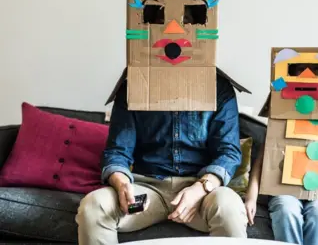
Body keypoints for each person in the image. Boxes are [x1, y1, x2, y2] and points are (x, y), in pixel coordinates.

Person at [75, 75, 248, 245]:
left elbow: (228, 153)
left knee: (229, 206)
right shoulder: (133, 87)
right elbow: (117, 151)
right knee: (93, 207)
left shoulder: (218, 87)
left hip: (201, 193)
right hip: (146, 191)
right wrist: (122, 184)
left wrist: (201, 188)